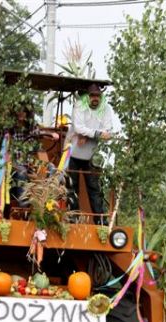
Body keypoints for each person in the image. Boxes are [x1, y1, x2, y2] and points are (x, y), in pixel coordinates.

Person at [66, 83, 114, 224]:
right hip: (73, 150)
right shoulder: (79, 106)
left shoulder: (106, 109)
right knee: (72, 186)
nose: (95, 98)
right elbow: (79, 127)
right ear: (88, 96)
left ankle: (100, 220)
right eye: (92, 95)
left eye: (97, 96)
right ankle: (73, 218)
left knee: (94, 187)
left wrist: (88, 135)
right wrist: (96, 133)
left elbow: (108, 132)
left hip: (91, 153)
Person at [9, 104, 59, 207]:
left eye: (24, 111)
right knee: (21, 171)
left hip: (30, 163)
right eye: (19, 110)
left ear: (28, 113)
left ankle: (48, 199)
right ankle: (23, 202)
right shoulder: (10, 129)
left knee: (51, 168)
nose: (21, 113)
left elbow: (39, 143)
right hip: (14, 164)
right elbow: (5, 151)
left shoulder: (32, 128)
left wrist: (51, 135)